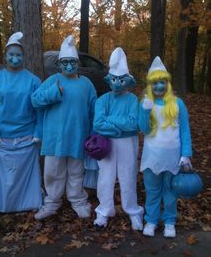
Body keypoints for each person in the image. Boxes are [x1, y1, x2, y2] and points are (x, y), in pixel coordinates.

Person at [31, 35, 97, 220]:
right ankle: (52, 202)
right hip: (54, 137)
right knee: (53, 172)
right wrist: (54, 93)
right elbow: (35, 100)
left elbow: (93, 110)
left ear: (78, 63)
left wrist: (93, 133)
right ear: (60, 64)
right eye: (65, 62)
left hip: (78, 135)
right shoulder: (53, 80)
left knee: (76, 171)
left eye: (72, 62)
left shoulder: (86, 84)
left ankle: (77, 200)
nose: (69, 66)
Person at [0, 32, 42, 216]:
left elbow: (40, 109)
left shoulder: (33, 80)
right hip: (3, 136)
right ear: (5, 56)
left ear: (24, 56)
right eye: (11, 55)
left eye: (18, 55)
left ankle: (32, 200)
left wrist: (38, 132)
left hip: (27, 135)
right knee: (4, 173)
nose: (15, 58)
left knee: (29, 174)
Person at [139, 56, 193, 238]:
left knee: (170, 191)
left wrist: (186, 154)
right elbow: (144, 129)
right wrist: (145, 112)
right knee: (153, 191)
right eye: (155, 84)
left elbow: (185, 130)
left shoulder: (178, 104)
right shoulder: (147, 103)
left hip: (173, 157)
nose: (159, 87)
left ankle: (169, 221)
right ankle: (151, 220)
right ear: (150, 85)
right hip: (152, 156)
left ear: (167, 83)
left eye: (162, 82)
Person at [93, 47, 144, 230]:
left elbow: (133, 124)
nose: (117, 83)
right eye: (114, 79)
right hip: (106, 144)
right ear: (109, 79)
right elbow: (98, 124)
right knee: (105, 177)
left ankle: (133, 211)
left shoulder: (132, 100)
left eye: (120, 79)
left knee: (128, 176)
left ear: (127, 80)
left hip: (128, 144)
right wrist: (118, 128)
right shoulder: (103, 100)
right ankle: (103, 211)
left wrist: (111, 121)